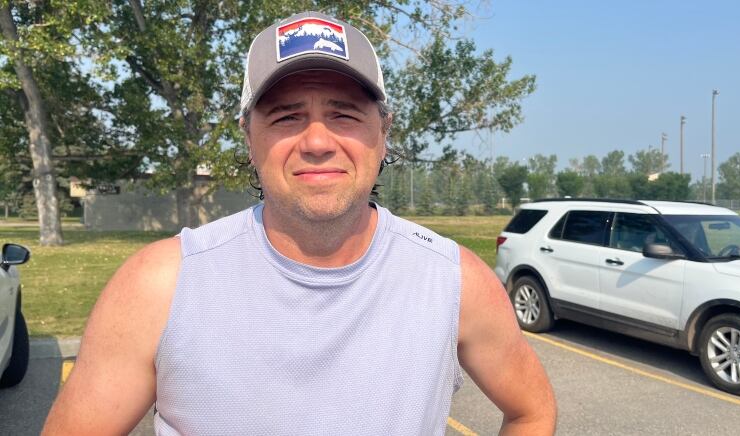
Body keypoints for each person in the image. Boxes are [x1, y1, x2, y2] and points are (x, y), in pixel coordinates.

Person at [43, 11, 556, 435]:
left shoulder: (452, 279)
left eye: (345, 114)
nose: (315, 141)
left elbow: (531, 410)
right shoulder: (160, 286)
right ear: (248, 137)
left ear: (383, 132)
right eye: (286, 116)